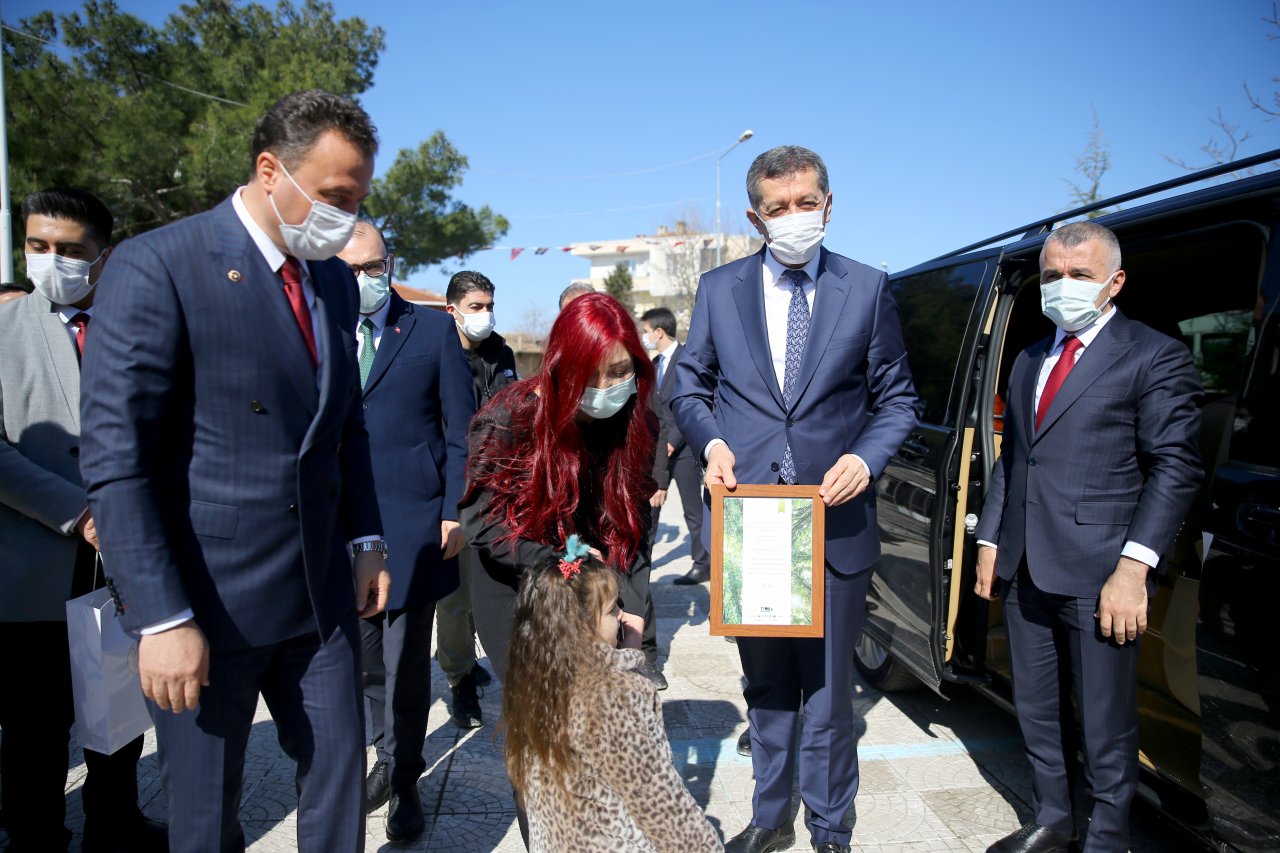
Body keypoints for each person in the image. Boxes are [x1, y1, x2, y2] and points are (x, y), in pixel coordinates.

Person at [79, 90, 391, 853]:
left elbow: (344, 425)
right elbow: (118, 460)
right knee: (205, 816)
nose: (346, 218)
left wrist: (366, 538)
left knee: (339, 782)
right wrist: (160, 617)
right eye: (333, 197)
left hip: (318, 598)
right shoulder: (161, 264)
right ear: (269, 170)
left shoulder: (332, 279)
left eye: (358, 200)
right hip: (205, 604)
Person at [669, 145, 918, 853]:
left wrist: (864, 459)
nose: (795, 216)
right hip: (754, 521)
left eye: (807, 203)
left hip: (833, 522)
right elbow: (688, 386)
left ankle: (831, 826)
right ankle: (770, 815)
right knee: (768, 686)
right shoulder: (719, 289)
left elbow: (898, 399)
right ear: (756, 217)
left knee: (831, 694)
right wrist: (713, 443)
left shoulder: (866, 287)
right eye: (778, 208)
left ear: (829, 205)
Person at [974, 221, 1202, 853]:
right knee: (1036, 708)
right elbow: (1015, 458)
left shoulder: (1153, 355)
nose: (1063, 285)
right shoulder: (1029, 359)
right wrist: (990, 541)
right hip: (1026, 566)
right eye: (1053, 275)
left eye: (1080, 274)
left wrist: (1133, 570)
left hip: (1102, 572)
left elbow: (1175, 467)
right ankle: (1053, 818)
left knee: (1105, 721)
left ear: (1114, 281)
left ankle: (1107, 836)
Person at [0, 187, 167, 853]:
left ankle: (114, 822)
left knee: (116, 712)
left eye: (70, 250)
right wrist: (77, 511)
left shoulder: (141, 329)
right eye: (38, 245)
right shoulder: (5, 331)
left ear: (104, 256)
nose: (52, 260)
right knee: (34, 724)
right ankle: (34, 834)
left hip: (122, 563)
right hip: (33, 561)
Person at [336, 223, 474, 842]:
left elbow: (459, 429)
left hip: (413, 524)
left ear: (389, 263)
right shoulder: (320, 327)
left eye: (374, 266)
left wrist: (453, 510)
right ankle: (382, 754)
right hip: (339, 524)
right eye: (350, 269)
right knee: (363, 661)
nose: (365, 279)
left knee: (404, 662)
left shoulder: (431, 329)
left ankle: (405, 776)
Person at [502, 542, 722, 853]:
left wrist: (626, 656)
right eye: (611, 609)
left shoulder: (535, 682)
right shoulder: (614, 697)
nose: (622, 615)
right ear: (579, 625)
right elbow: (660, 805)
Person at [435, 269, 516, 729]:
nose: (485, 315)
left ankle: (488, 660)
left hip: (497, 489)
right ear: (453, 310)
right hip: (455, 489)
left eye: (489, 306)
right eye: (475, 307)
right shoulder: (436, 351)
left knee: (496, 587)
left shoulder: (500, 351)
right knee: (456, 597)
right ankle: (460, 679)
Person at [641, 306, 709, 587]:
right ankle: (642, 565)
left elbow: (693, 402)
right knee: (650, 511)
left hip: (684, 450)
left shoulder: (687, 359)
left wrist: (673, 441)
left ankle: (702, 564)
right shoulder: (653, 364)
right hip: (657, 450)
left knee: (693, 512)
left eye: (646, 331)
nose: (644, 336)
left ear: (659, 331)